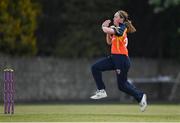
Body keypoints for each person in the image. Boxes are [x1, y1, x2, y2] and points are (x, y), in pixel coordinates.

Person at [90, 10, 147, 112]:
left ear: (121, 19)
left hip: (122, 59)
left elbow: (108, 30)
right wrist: (108, 31)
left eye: (115, 17)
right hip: (114, 58)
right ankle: (101, 90)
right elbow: (109, 42)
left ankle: (140, 96)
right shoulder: (116, 28)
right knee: (95, 67)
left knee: (122, 85)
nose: (113, 18)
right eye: (114, 17)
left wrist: (104, 27)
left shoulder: (122, 27)